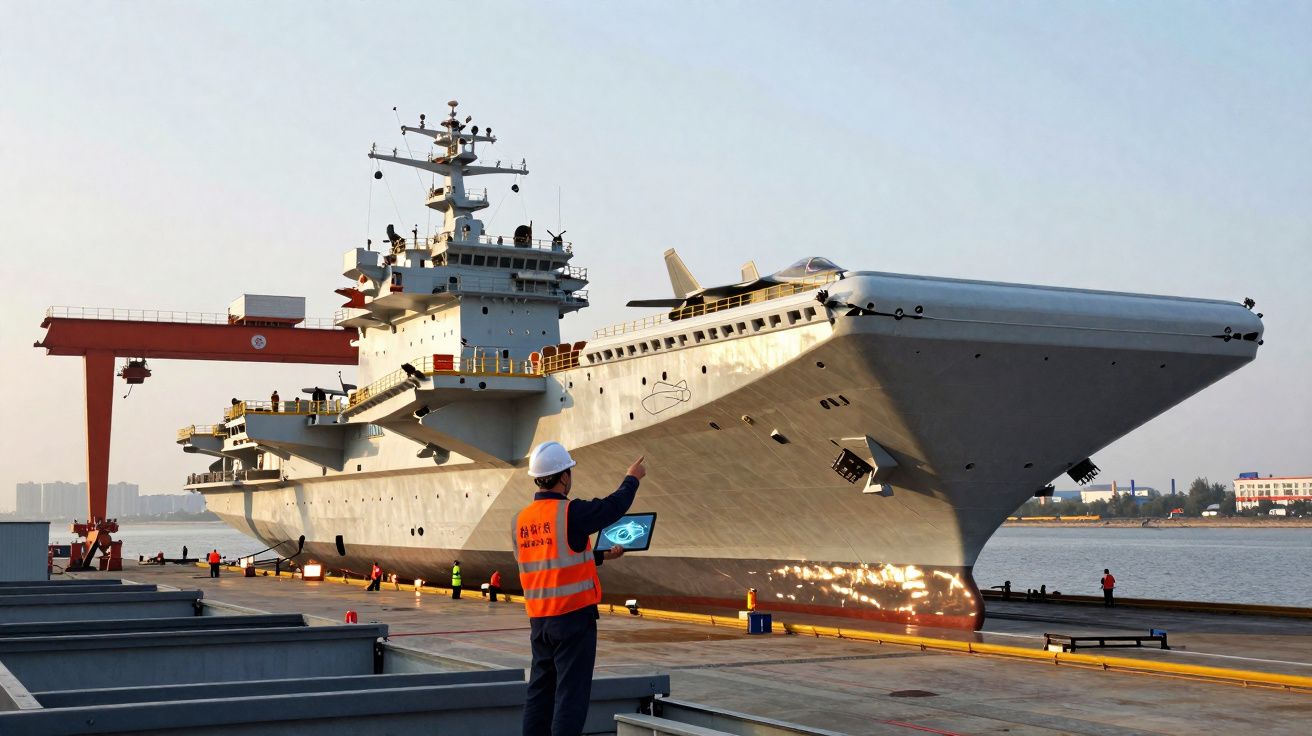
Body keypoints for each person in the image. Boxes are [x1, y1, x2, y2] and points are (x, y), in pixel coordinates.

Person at [516, 440, 645, 736]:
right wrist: (632, 478)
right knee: (571, 696)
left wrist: (600, 555)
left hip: (540, 622)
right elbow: (613, 507)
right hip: (573, 619)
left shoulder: (522, 520)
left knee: (540, 693)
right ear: (563, 477)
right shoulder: (570, 513)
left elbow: (551, 558)